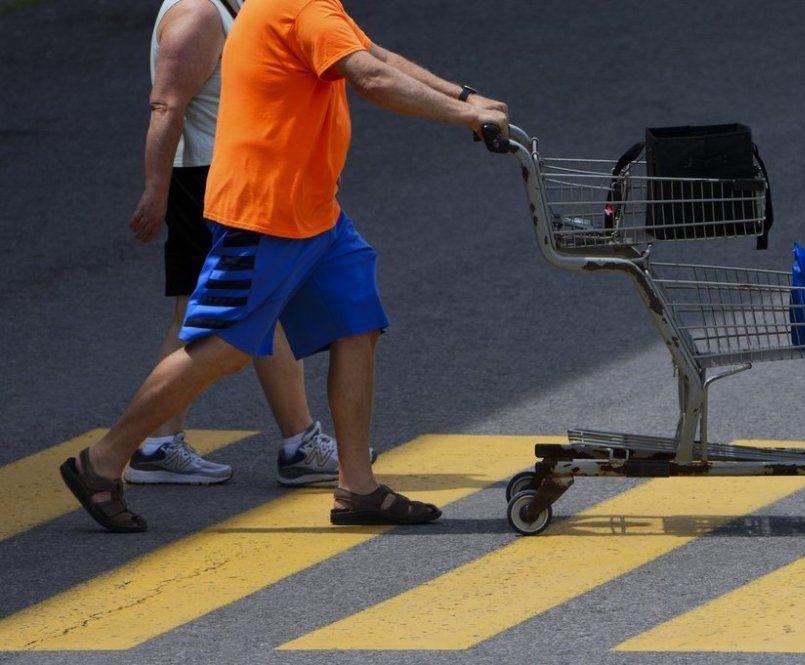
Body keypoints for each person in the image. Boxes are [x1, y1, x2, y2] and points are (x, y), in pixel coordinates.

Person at [60, 0, 509, 532]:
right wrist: (465, 115)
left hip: (316, 213)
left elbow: (371, 53)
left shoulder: (313, 6)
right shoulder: (295, 7)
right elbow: (367, 76)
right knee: (224, 345)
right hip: (264, 213)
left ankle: (357, 488)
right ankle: (102, 461)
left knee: (357, 325)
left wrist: (463, 94)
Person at [126, 0, 369, 488]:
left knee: (242, 308)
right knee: (227, 312)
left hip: (232, 176)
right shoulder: (197, 13)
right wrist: (156, 189)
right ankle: (153, 444)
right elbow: (166, 103)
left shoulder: (237, 7)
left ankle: (289, 441)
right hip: (208, 180)